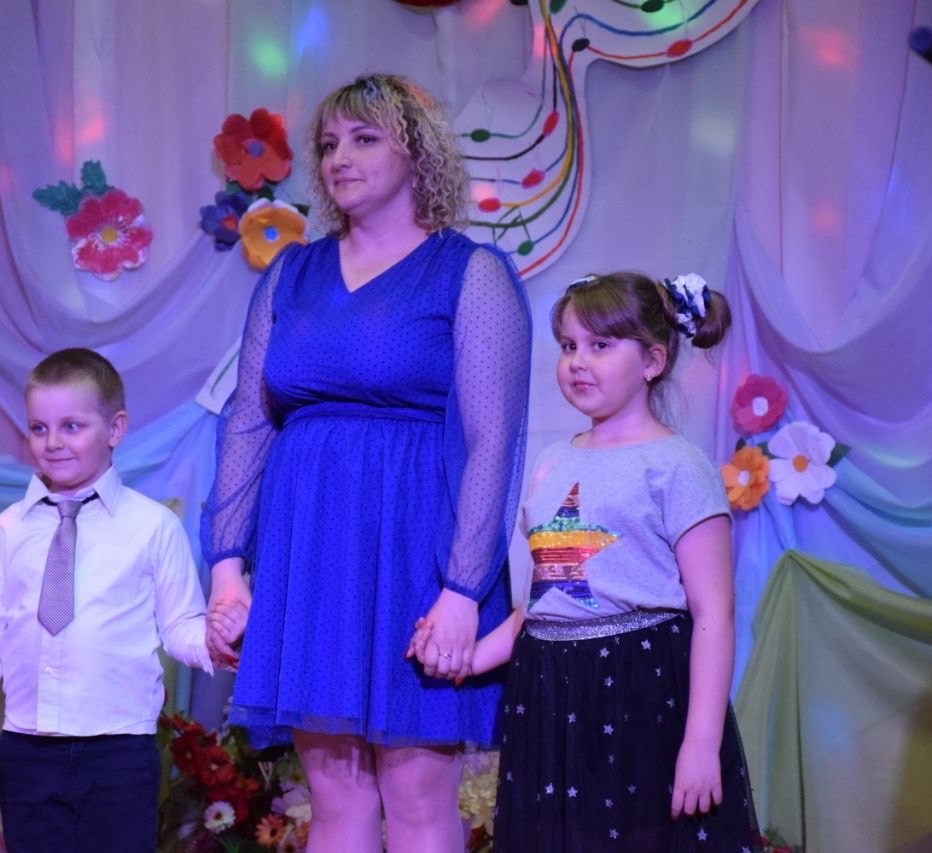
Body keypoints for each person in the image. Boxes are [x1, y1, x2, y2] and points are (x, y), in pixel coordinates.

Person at [202, 73, 531, 852]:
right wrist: (226, 566)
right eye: (328, 144)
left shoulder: (468, 273)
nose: (339, 158)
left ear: (417, 153)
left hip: (418, 556)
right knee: (335, 798)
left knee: (418, 800)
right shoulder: (292, 274)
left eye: (364, 138)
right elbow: (248, 420)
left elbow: (491, 441)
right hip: (312, 554)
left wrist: (463, 589)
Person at [462, 272, 762, 851]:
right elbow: (544, 600)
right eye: (569, 345)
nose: (578, 362)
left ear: (652, 360)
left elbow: (713, 613)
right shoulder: (551, 462)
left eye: (600, 345)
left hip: (638, 688)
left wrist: (701, 743)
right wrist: (471, 657)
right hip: (548, 691)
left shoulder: (677, 466)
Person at [0, 348, 213, 852]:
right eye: (38, 428)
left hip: (120, 752)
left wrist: (218, 641)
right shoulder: (7, 531)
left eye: (71, 426)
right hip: (27, 752)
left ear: (115, 428)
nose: (53, 443)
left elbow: (180, 627)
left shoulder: (153, 527)